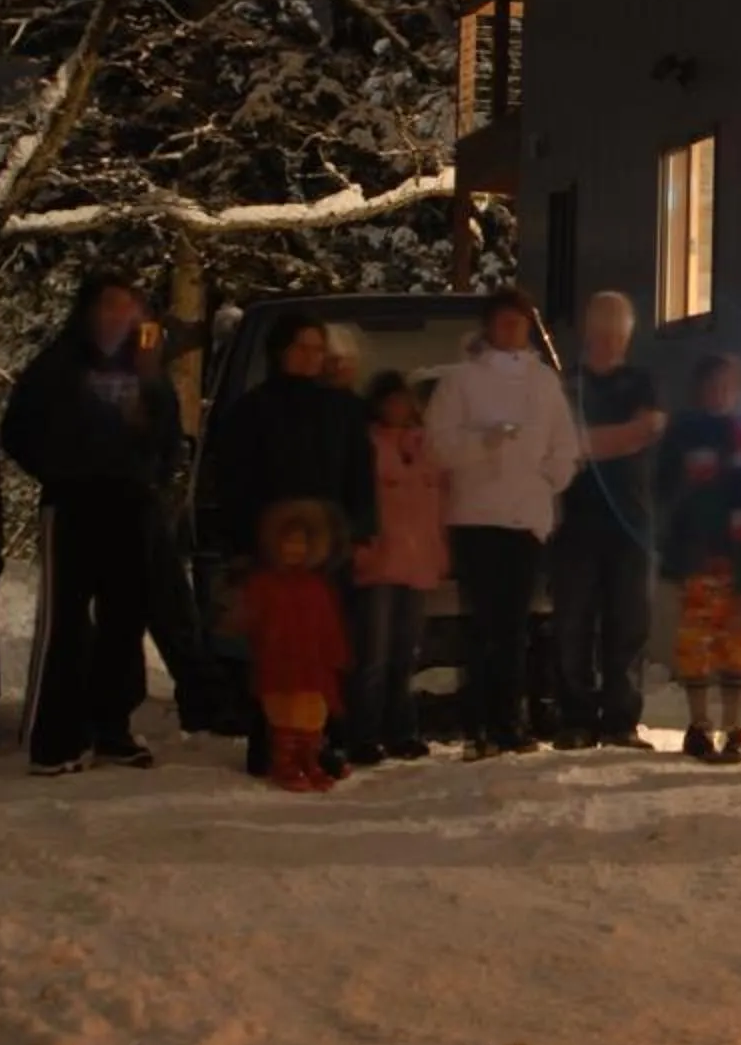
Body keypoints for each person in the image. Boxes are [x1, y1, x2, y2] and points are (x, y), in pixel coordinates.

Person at [1, 273, 183, 776]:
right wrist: (60, 469)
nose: (120, 317)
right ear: (89, 312)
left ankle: (112, 728)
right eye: (110, 307)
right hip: (74, 503)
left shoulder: (146, 370)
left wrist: (155, 473)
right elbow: (17, 430)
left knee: (125, 620)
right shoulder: (60, 365)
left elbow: (169, 431)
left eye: (129, 308)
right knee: (67, 621)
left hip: (131, 502)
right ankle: (54, 739)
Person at [206, 313, 380, 775]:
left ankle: (326, 740)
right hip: (273, 546)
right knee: (277, 649)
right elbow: (233, 481)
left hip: (330, 544)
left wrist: (361, 530)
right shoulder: (254, 410)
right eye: (300, 347)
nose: (309, 357)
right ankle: (270, 742)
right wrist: (244, 542)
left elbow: (360, 475)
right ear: (281, 352)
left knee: (328, 646)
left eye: (316, 348)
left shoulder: (343, 409)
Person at [425, 287, 581, 757]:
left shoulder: (543, 383)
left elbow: (564, 446)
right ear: (490, 327)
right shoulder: (461, 381)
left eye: (520, 323)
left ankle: (508, 722)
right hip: (475, 516)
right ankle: (479, 724)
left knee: (513, 627)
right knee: (483, 626)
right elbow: (438, 446)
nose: (512, 331)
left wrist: (546, 478)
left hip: (525, 519)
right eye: (504, 322)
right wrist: (484, 446)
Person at [554, 291, 666, 752]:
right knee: (573, 623)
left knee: (628, 622)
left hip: (631, 521)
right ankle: (576, 718)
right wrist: (621, 437)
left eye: (617, 336)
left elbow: (650, 428)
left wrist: (587, 442)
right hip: (574, 522)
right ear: (588, 333)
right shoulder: (566, 384)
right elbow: (561, 444)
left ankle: (621, 719)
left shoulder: (642, 382)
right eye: (602, 335)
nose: (609, 344)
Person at [656, 356, 741, 764]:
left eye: (729, 385)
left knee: (737, 646)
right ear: (700, 388)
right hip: (697, 558)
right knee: (695, 644)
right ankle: (699, 725)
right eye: (713, 384)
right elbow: (663, 494)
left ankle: (734, 726)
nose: (721, 393)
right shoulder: (682, 435)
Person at [348, 372, 450, 762]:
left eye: (403, 402)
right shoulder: (368, 446)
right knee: (372, 652)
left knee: (405, 654)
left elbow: (439, 502)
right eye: (390, 402)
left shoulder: (426, 449)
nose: (398, 409)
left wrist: (441, 551)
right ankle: (363, 734)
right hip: (379, 560)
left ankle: (402, 730)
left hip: (418, 560)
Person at [232, 500, 350, 793]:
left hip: (312, 666)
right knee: (285, 716)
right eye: (289, 543)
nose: (294, 550)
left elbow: (328, 625)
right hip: (280, 665)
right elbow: (250, 620)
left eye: (301, 543)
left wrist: (336, 655)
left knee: (312, 718)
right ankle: (285, 762)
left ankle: (310, 760)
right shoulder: (264, 584)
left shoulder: (317, 586)